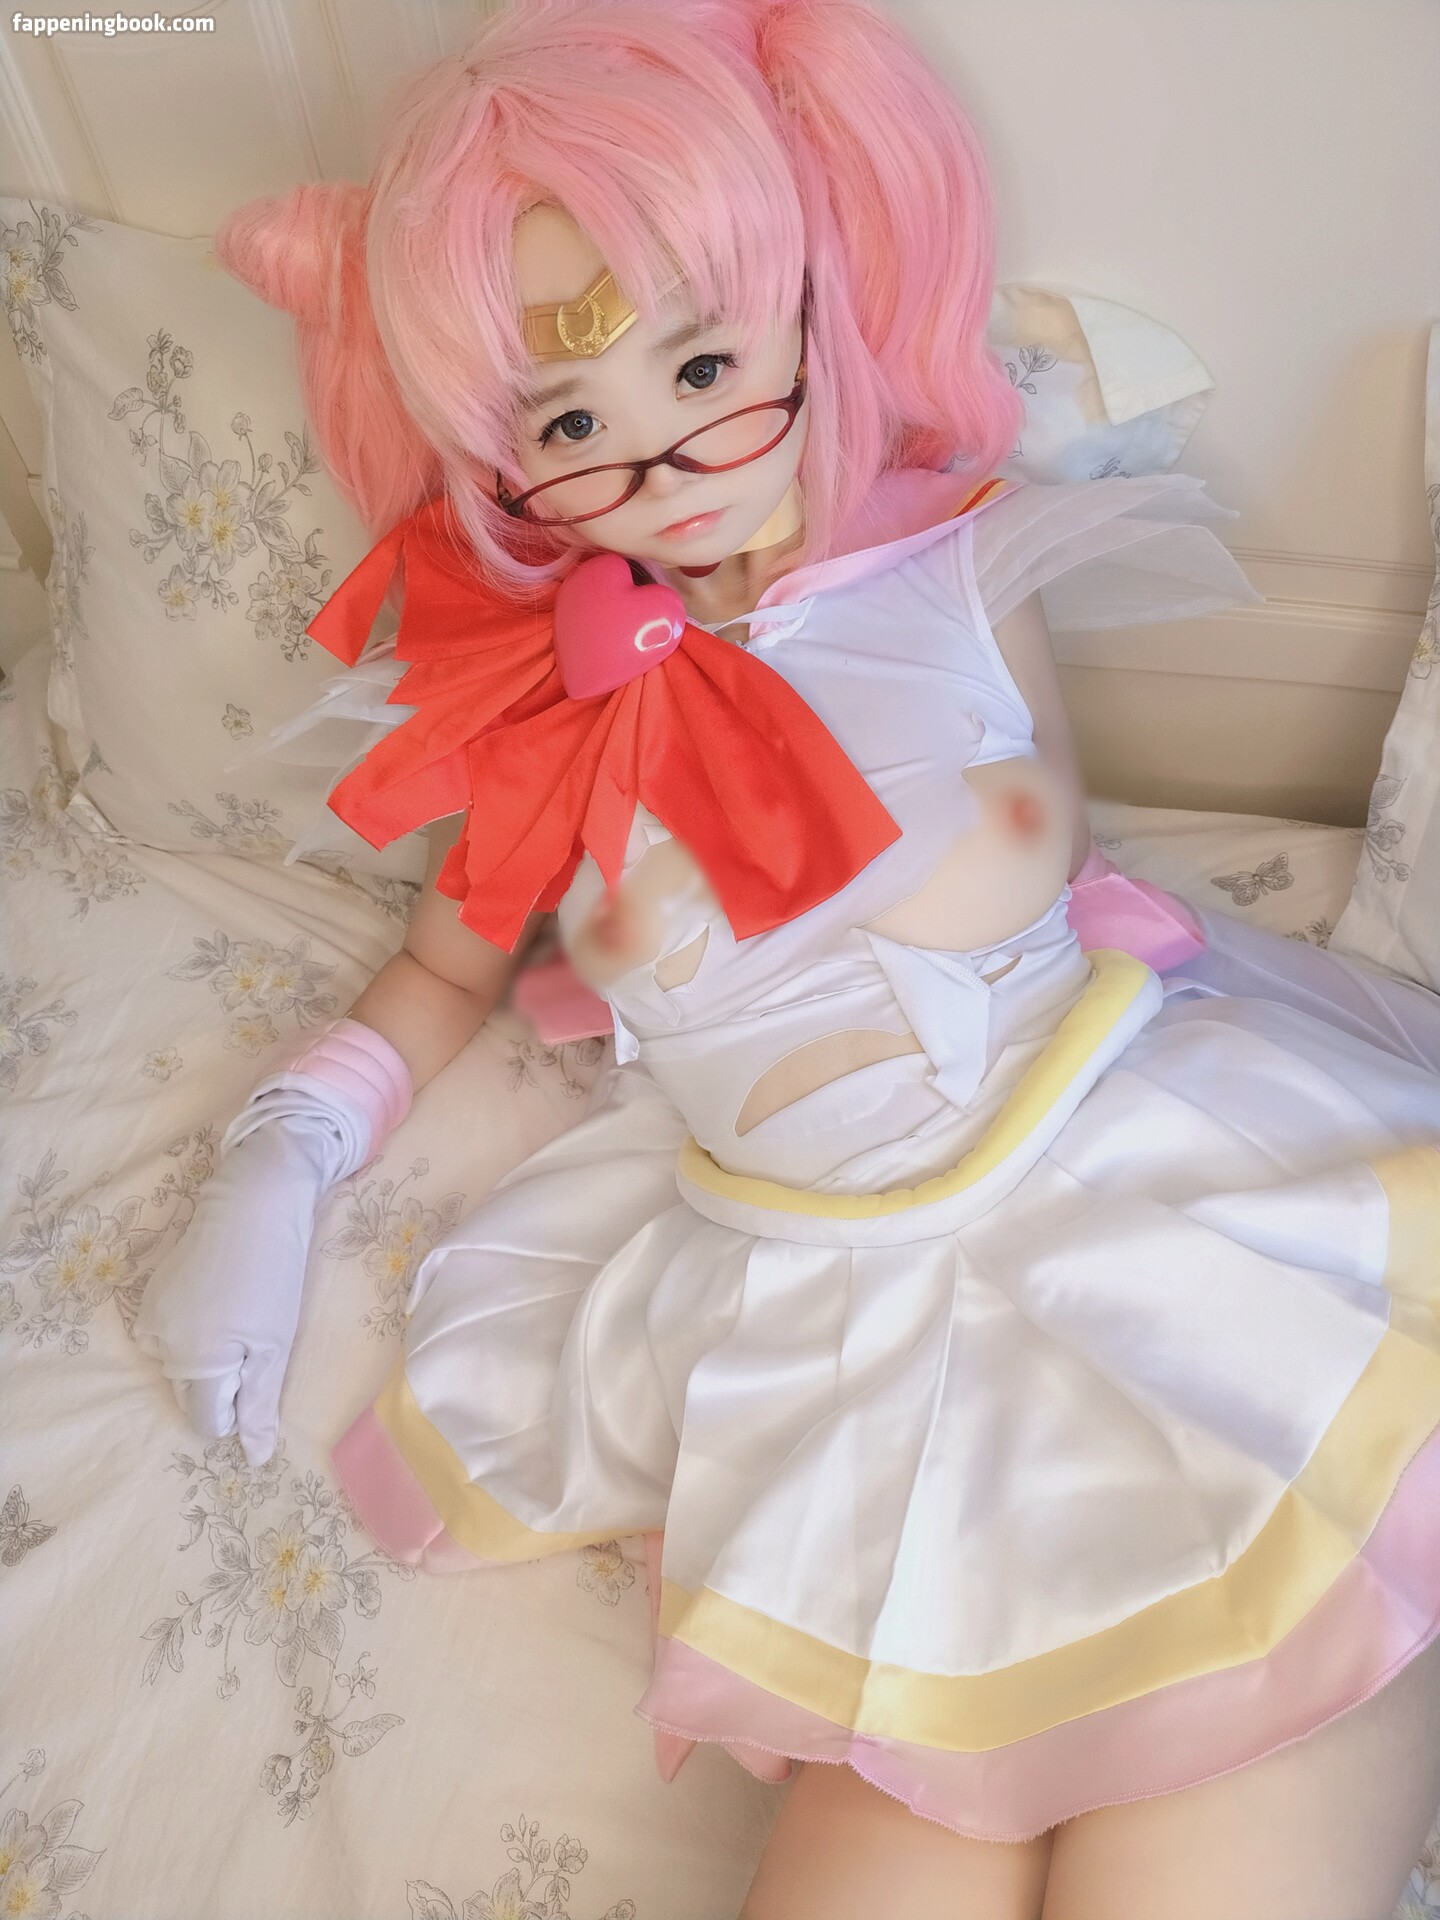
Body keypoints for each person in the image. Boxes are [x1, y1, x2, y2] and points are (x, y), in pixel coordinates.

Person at [134, 2, 1440, 1913]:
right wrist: (281, 1154)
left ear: (802, 310)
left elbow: (1049, 823)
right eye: (567, 423)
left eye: (701, 362)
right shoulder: (529, 715)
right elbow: (438, 977)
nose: (657, 457)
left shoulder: (958, 565)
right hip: (824, 1310)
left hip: (1115, 1179)